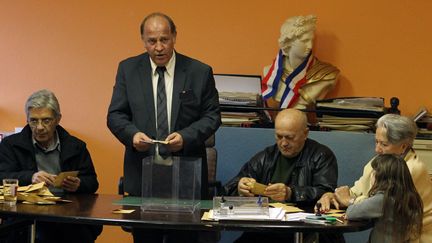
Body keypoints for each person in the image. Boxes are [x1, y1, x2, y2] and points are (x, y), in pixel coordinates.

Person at [107, 12, 221, 243]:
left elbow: (212, 116)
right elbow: (115, 115)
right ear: (143, 40)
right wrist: (132, 136)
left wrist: (186, 137)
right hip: (142, 172)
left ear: (175, 37)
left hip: (185, 175)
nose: (159, 47)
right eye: (152, 41)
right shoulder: (128, 69)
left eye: (164, 40)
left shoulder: (199, 72)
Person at [0, 89, 102, 243]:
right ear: (27, 120)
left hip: (67, 214)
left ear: (58, 119)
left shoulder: (76, 146)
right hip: (25, 214)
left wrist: (79, 184)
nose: (39, 127)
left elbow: (92, 182)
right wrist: (31, 177)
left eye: (46, 120)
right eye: (33, 120)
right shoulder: (10, 145)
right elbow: (2, 177)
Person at [223, 108, 338, 243]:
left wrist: (291, 193)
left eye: (290, 137)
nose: (283, 143)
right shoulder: (266, 157)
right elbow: (225, 191)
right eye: (279, 136)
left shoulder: (321, 155)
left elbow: (326, 193)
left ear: (305, 133)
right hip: (266, 230)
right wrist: (239, 187)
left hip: (307, 230)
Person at [317, 114, 432, 242]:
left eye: (384, 144)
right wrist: (331, 196)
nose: (377, 149)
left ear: (403, 147)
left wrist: (350, 201)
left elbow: (380, 202)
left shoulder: (410, 170)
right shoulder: (380, 162)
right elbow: (356, 191)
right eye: (376, 142)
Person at [261, 15, 339, 114]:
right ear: (288, 42)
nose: (310, 46)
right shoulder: (270, 73)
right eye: (305, 41)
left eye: (312, 40)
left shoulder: (327, 75)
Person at [346, 154, 423, 242]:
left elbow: (351, 213)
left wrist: (351, 201)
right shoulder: (408, 197)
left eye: (373, 172)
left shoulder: (382, 199)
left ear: (380, 177)